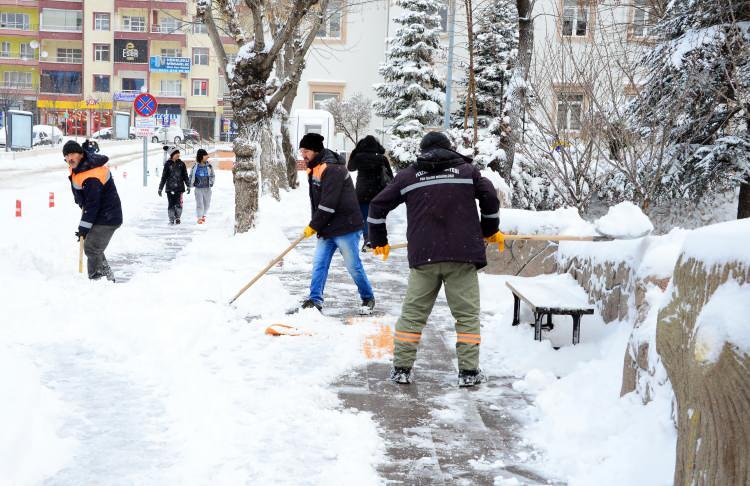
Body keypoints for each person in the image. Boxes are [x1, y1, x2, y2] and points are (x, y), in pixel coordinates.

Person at [368, 131, 502, 387]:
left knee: (413, 314)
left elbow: (377, 206)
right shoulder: (467, 172)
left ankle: (402, 368)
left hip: (424, 255)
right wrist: (490, 230)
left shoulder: (409, 176)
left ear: (422, 151)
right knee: (466, 316)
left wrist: (379, 241)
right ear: (449, 149)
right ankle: (468, 372)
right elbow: (490, 196)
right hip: (462, 254)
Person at [298, 132, 376, 314]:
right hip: (327, 227)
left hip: (346, 226)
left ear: (316, 151)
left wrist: (313, 225)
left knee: (353, 266)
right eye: (302, 150)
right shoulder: (315, 167)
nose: (303, 154)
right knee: (319, 263)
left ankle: (368, 298)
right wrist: (317, 224)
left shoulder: (332, 169)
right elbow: (317, 201)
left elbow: (328, 204)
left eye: (306, 150)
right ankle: (315, 299)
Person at [64, 140, 123, 281]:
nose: (69, 158)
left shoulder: (91, 174)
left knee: (91, 247)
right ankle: (106, 276)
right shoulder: (80, 167)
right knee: (94, 246)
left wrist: (83, 228)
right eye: (66, 155)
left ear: (80, 154)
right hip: (100, 215)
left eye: (72, 154)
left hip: (107, 217)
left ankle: (98, 279)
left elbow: (92, 204)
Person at [347, 135, 393, 252]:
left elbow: (350, 167)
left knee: (365, 217)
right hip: (379, 191)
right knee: (377, 217)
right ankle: (378, 240)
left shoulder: (358, 157)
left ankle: (368, 238)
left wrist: (355, 151)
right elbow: (390, 176)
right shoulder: (381, 158)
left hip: (362, 192)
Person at [158, 146, 190, 225]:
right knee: (171, 204)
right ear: (172, 154)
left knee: (178, 204)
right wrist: (160, 188)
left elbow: (185, 176)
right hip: (170, 188)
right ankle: (171, 218)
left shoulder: (182, 164)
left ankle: (178, 217)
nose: (178, 155)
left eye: (179, 154)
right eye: (176, 154)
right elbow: (164, 177)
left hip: (179, 188)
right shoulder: (167, 164)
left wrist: (188, 185)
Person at [189, 148, 215, 224]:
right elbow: (191, 175)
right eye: (205, 155)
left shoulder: (209, 166)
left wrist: (212, 182)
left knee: (207, 203)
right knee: (199, 203)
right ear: (201, 156)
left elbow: (213, 175)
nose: (207, 157)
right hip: (198, 188)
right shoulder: (195, 167)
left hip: (207, 188)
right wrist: (190, 184)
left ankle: (203, 214)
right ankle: (199, 217)